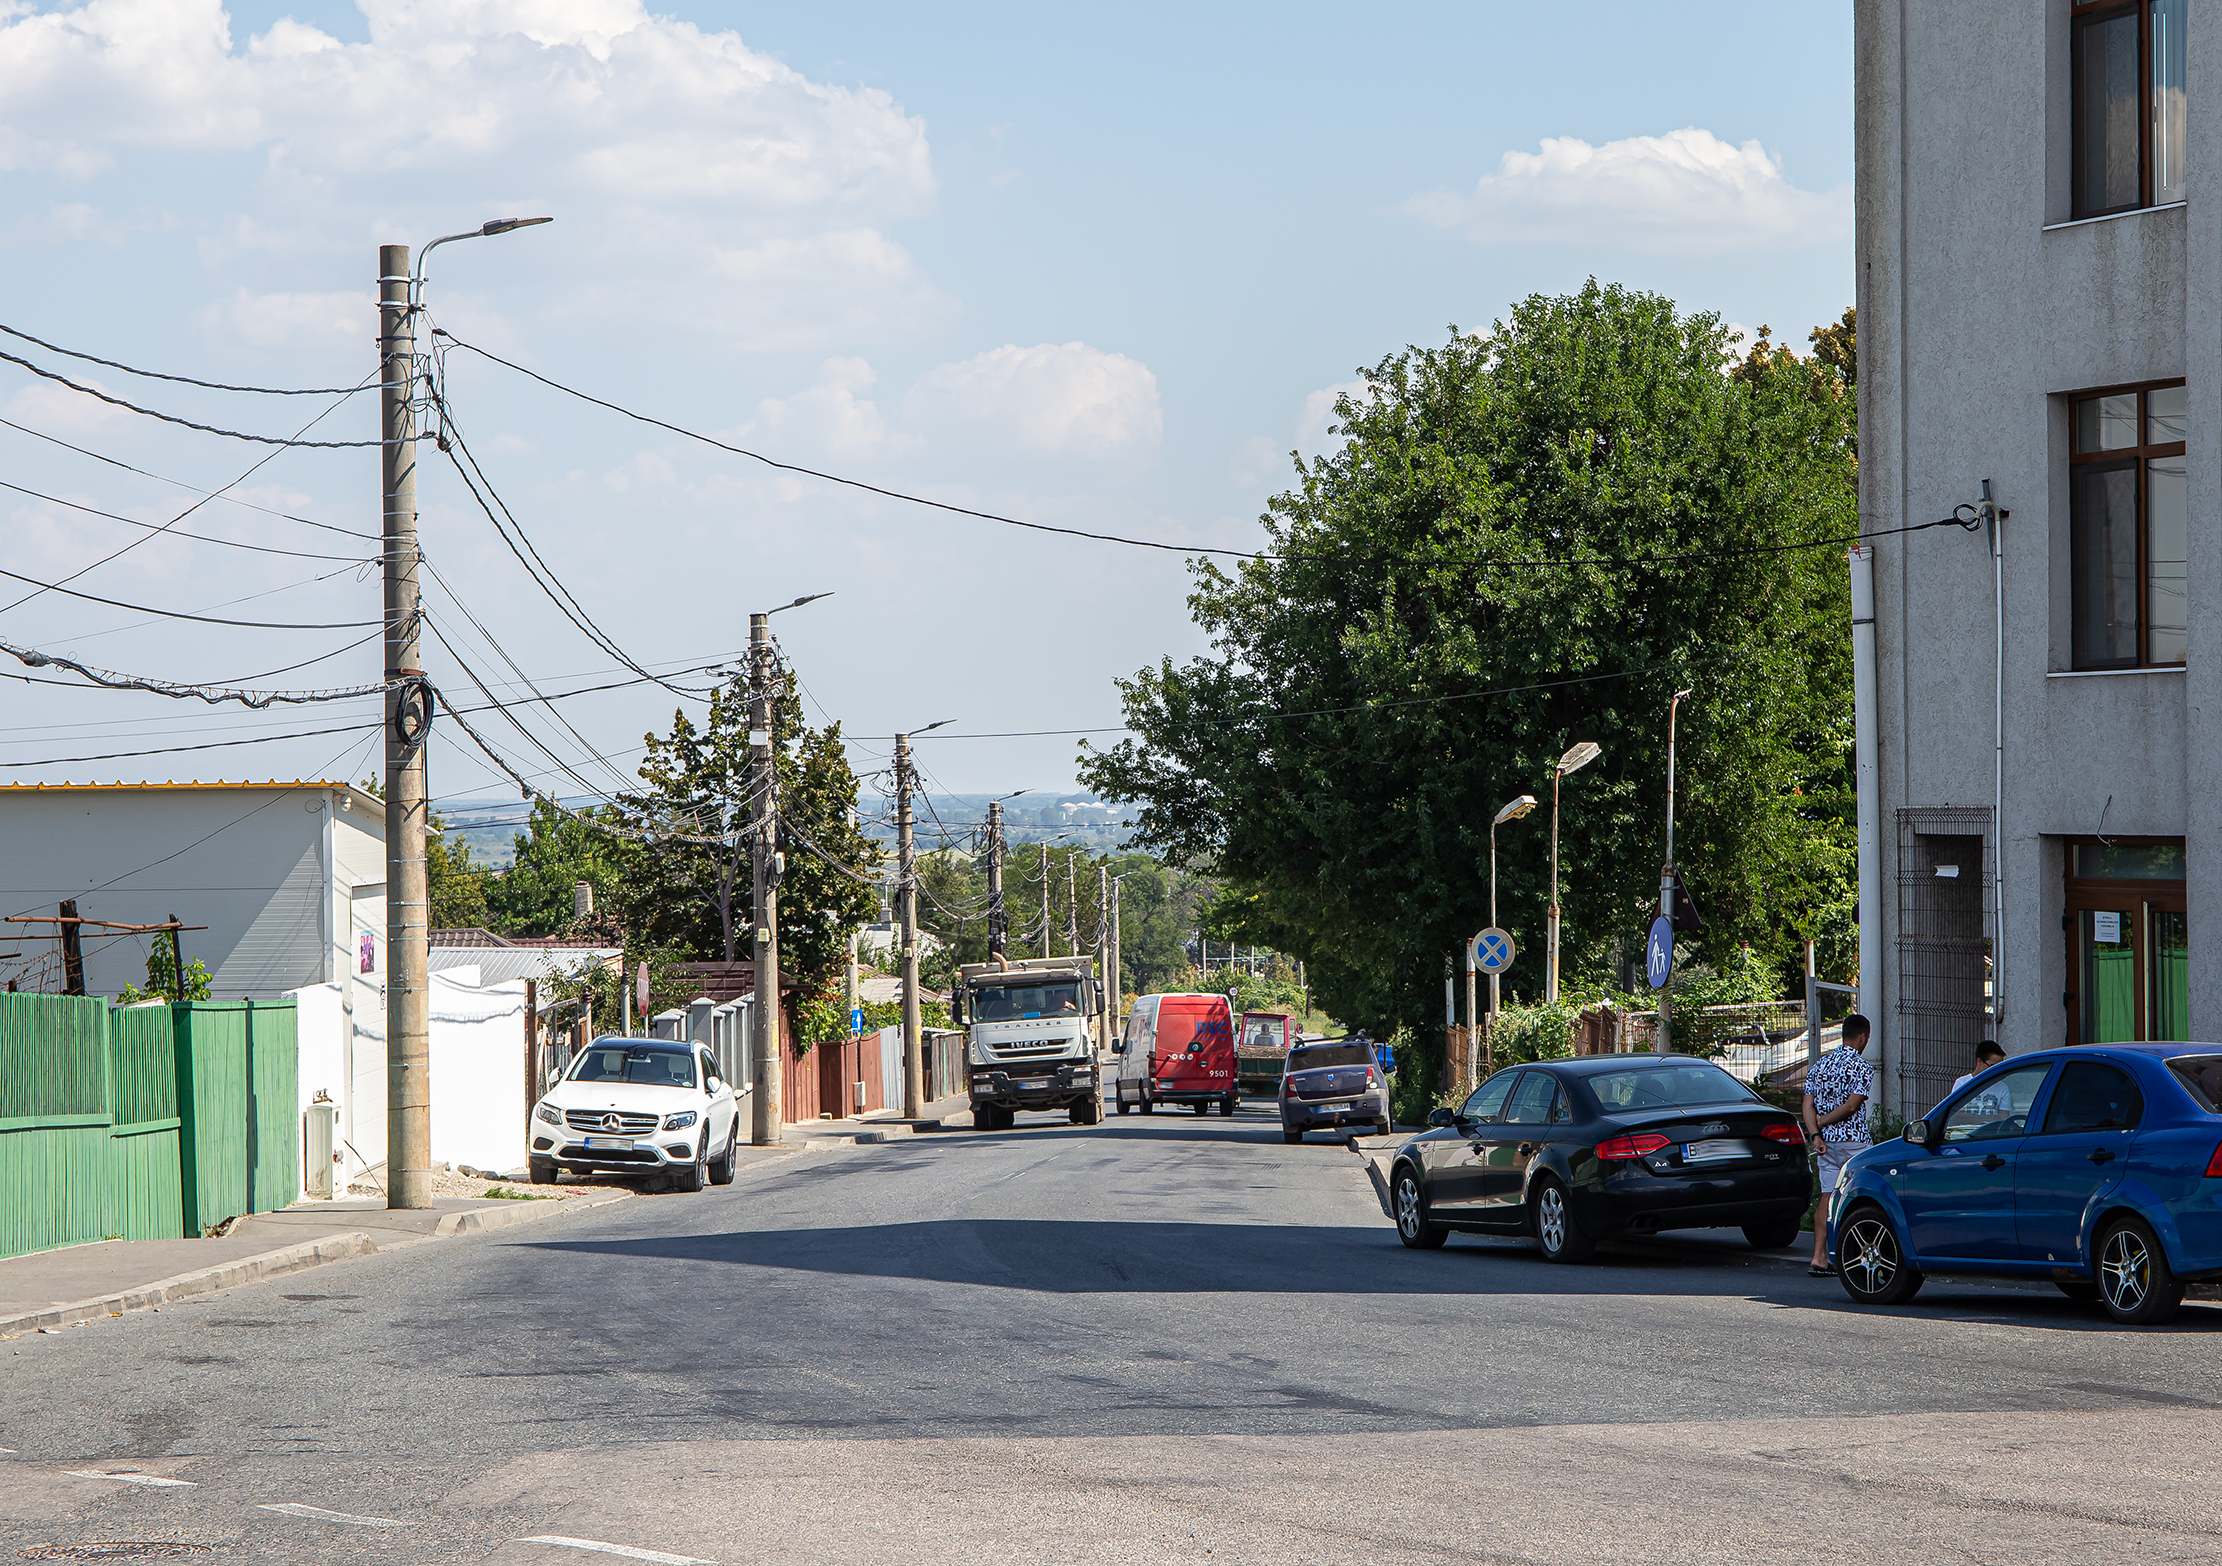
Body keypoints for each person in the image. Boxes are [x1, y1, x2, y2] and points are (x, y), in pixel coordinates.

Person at [1802, 1013, 1874, 1277]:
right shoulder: (1862, 1067)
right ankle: (1856, 1254)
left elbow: (1807, 1104)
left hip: (1826, 1145)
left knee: (1827, 1196)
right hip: (1854, 1143)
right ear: (1863, 1036)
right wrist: (1824, 1121)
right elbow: (1852, 1105)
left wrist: (1816, 1134)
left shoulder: (1820, 1065)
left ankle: (1819, 1256)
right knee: (1865, 1195)